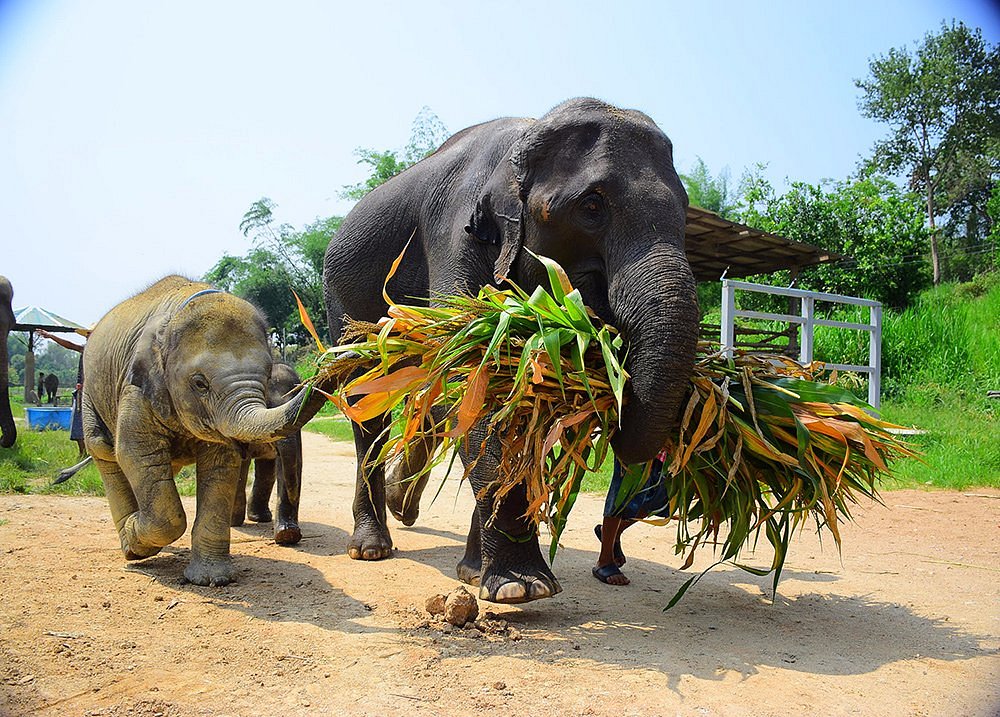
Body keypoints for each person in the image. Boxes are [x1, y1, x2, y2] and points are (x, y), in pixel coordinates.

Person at [593, 454, 669, 586]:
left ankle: (611, 533)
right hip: (638, 441)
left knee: (661, 499)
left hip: (669, 450)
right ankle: (604, 560)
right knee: (623, 493)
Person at [36, 329, 88, 457]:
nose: (88, 338)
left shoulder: (97, 350)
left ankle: (89, 453)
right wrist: (51, 336)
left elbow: (70, 345)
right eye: (87, 335)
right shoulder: (86, 349)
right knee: (78, 422)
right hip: (82, 390)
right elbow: (69, 345)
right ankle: (83, 452)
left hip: (88, 391)